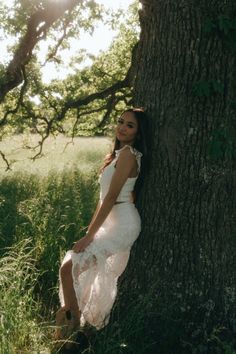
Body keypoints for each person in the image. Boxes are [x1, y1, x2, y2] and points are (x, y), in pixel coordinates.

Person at [56, 108, 149, 341]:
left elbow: (111, 198)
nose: (122, 127)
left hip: (123, 224)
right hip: (109, 222)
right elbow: (102, 199)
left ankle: (72, 328)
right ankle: (74, 325)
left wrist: (89, 238)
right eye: (121, 122)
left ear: (139, 133)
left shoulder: (129, 155)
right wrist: (89, 232)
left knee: (69, 268)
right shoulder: (117, 155)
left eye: (130, 125)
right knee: (69, 267)